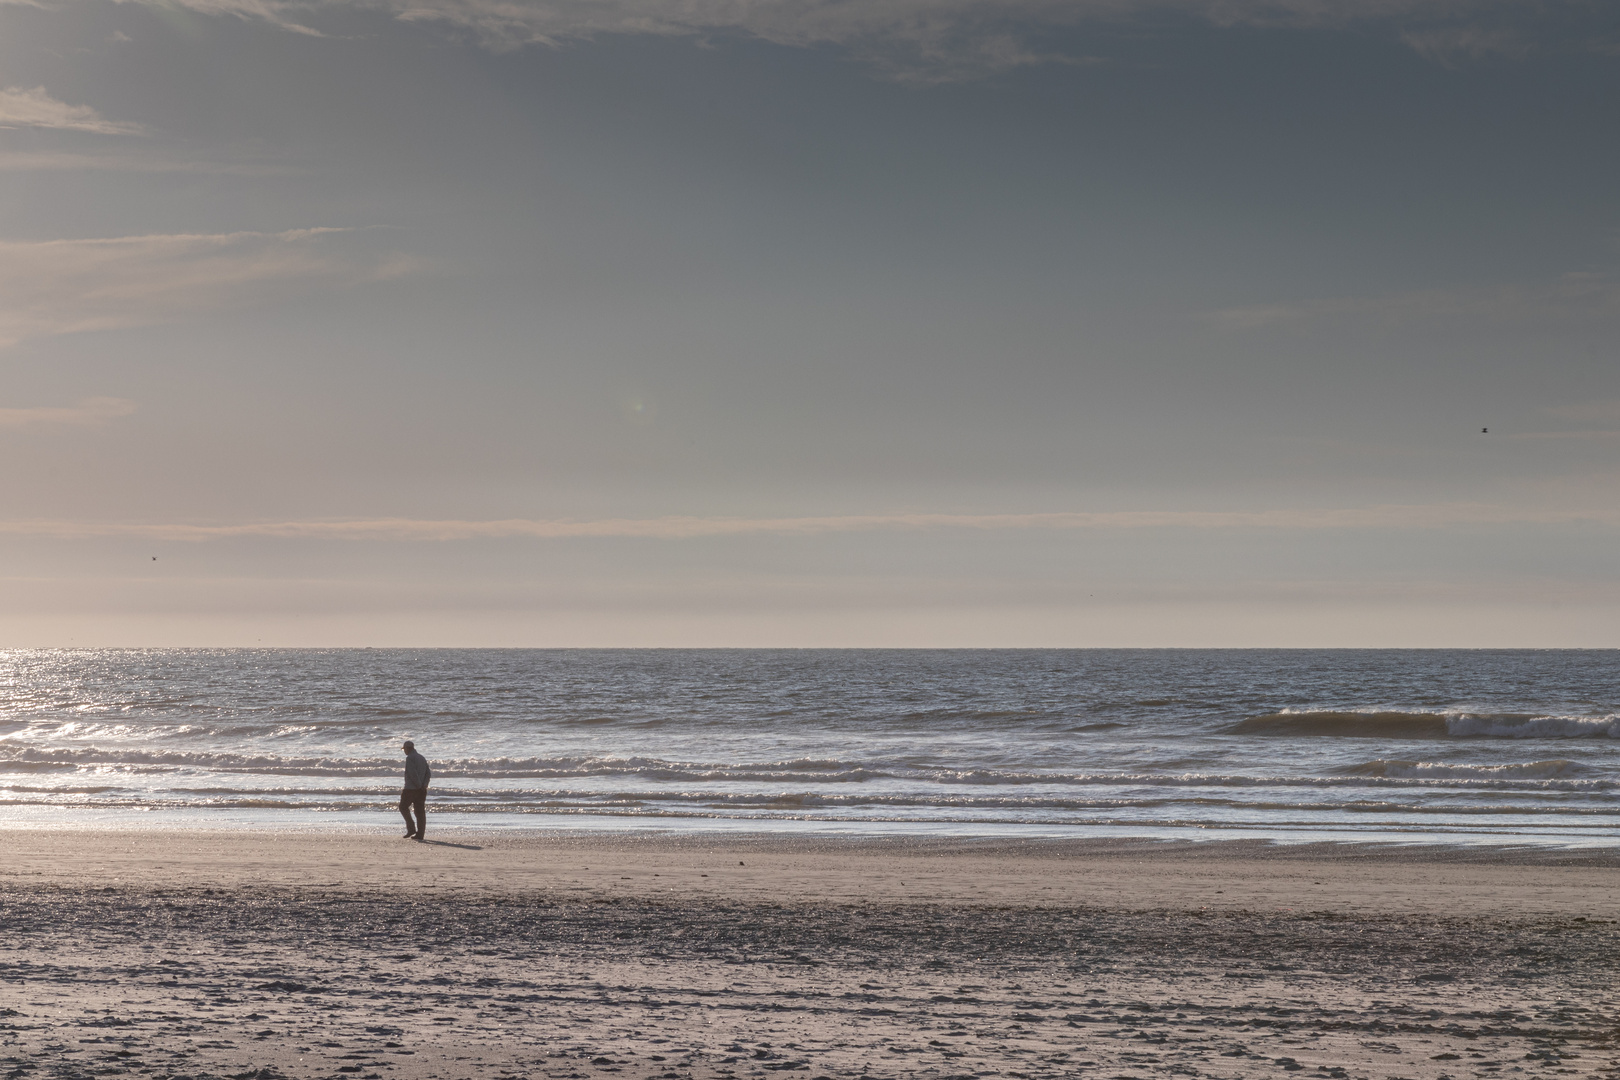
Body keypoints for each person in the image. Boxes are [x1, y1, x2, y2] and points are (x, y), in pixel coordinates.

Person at [399, 740, 431, 840]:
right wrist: (424, 785)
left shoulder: (410, 758)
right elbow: (428, 773)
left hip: (411, 789)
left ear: (408, 749)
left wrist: (418, 785)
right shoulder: (422, 758)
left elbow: (412, 773)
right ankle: (420, 834)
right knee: (420, 812)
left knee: (403, 807)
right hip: (421, 789)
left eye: (404, 749)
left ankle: (411, 828)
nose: (404, 751)